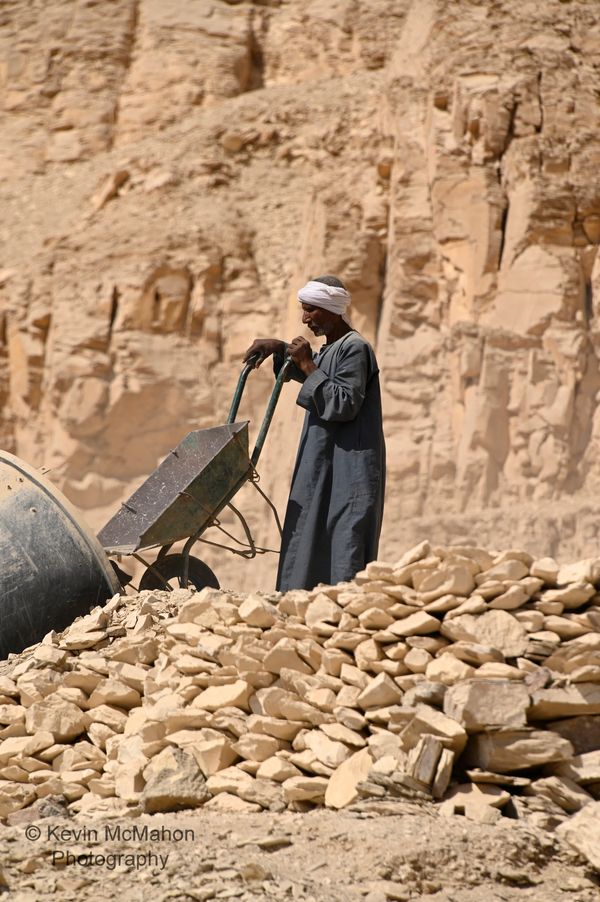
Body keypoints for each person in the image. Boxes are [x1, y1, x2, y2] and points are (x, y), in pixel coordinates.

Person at [243, 275, 386, 592]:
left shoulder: (356, 349)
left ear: (332, 310)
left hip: (348, 468)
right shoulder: (333, 349)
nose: (306, 318)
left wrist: (307, 365)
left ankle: (340, 617)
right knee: (308, 527)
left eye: (312, 310)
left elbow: (343, 402)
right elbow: (316, 374)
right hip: (323, 463)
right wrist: (280, 348)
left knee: (342, 533)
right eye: (303, 310)